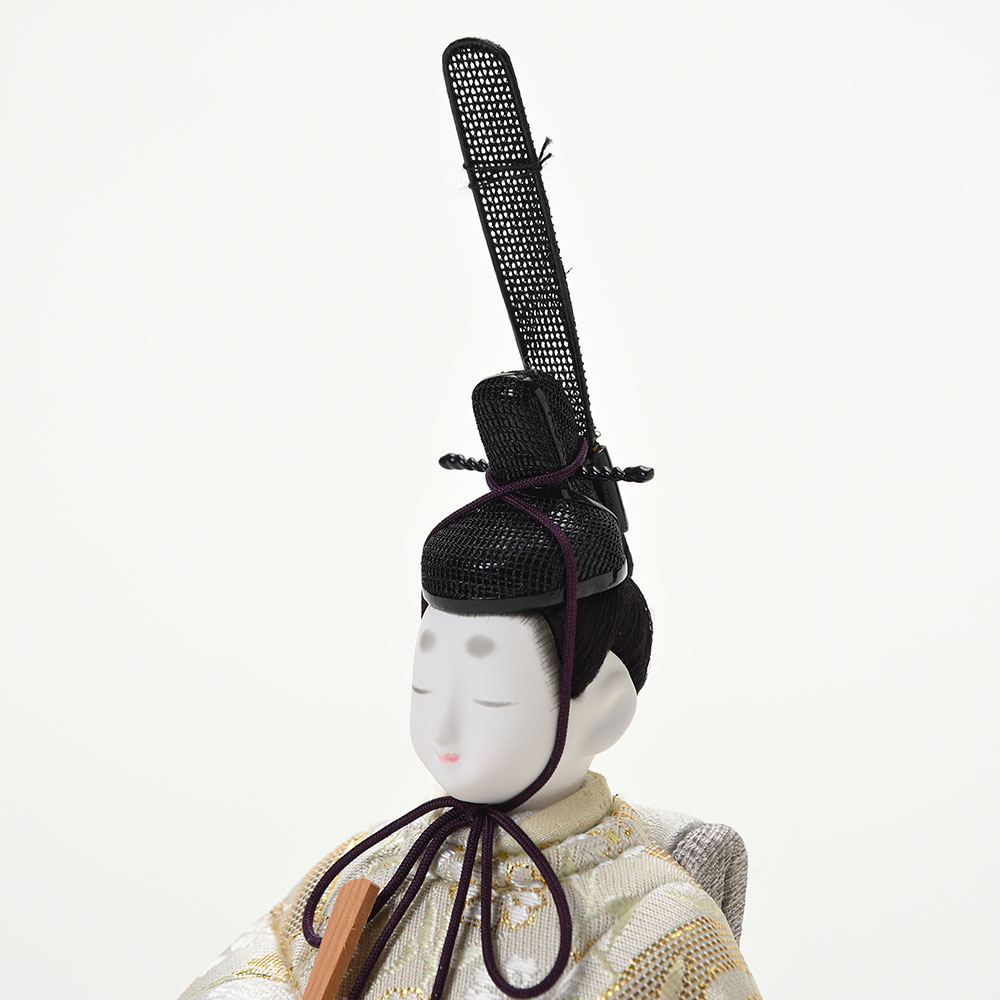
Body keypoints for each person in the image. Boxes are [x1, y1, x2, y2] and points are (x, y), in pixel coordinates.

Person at [177, 372, 760, 1000]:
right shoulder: (379, 865)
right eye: (425, 689)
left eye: (489, 698)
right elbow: (257, 967)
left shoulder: (660, 922)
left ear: (605, 705)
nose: (443, 728)